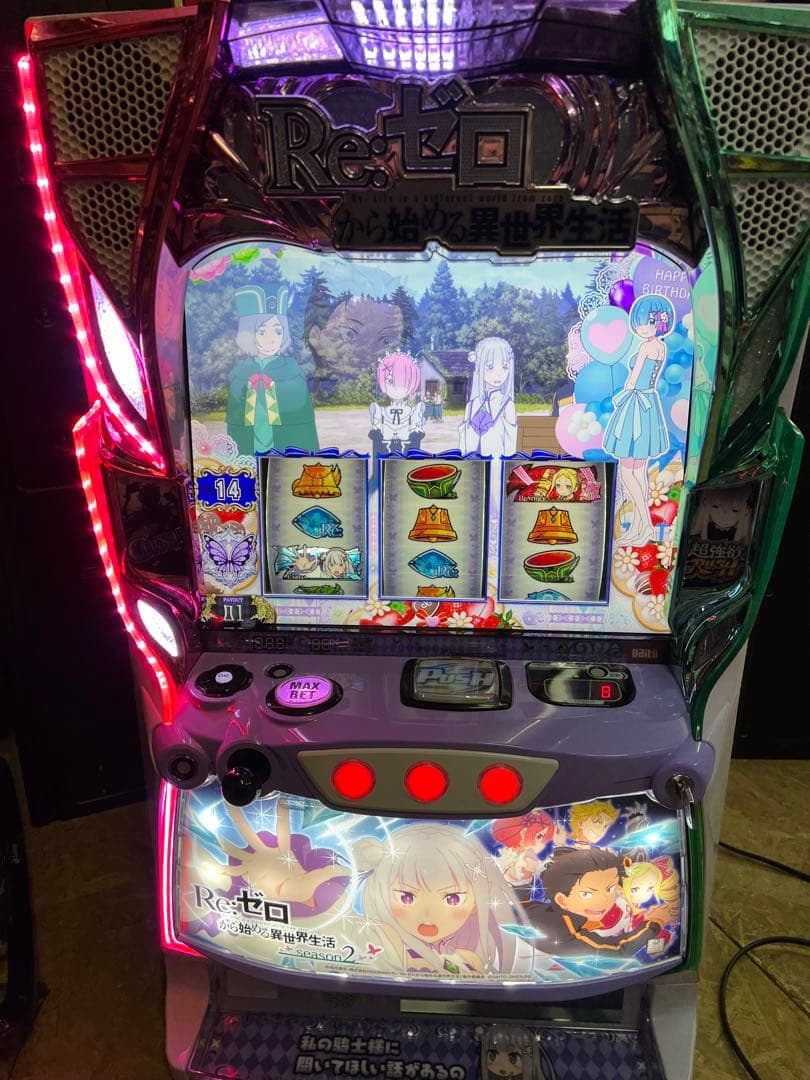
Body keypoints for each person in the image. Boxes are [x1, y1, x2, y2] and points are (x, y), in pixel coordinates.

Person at [353, 823, 536, 977]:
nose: (428, 917)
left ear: (479, 897)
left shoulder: (469, 957)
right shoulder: (383, 944)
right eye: (406, 897)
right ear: (381, 893)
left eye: (453, 898)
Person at [601, 294, 675, 546]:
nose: (643, 327)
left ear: (658, 322)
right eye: (640, 322)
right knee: (638, 471)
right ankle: (639, 527)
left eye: (648, 322)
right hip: (649, 405)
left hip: (635, 403)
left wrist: (622, 394)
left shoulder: (646, 347)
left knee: (626, 470)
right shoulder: (661, 347)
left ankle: (644, 524)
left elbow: (633, 379)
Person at [226, 285, 318, 455]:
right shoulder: (240, 373)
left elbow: (301, 419)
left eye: (277, 331)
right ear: (249, 334)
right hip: (251, 444)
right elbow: (235, 421)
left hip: (282, 447)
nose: (271, 340)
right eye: (262, 332)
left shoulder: (292, 370)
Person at [526, 846, 665, 956]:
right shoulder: (562, 931)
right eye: (587, 894)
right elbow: (618, 950)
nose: (604, 901)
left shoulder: (544, 910)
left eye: (610, 889)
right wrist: (654, 924)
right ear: (562, 900)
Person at [458, 337, 517, 457]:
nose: (499, 374)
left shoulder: (508, 406)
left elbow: (510, 447)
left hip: (497, 465)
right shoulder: (471, 406)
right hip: (471, 464)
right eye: (490, 367)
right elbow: (463, 446)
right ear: (479, 367)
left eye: (505, 367)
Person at [368, 352, 425, 455]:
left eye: (401, 383)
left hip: (406, 444)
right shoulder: (381, 410)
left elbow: (415, 429)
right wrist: (377, 428)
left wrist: (415, 430)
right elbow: (377, 427)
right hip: (385, 444)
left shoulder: (412, 411)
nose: (396, 388)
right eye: (390, 382)